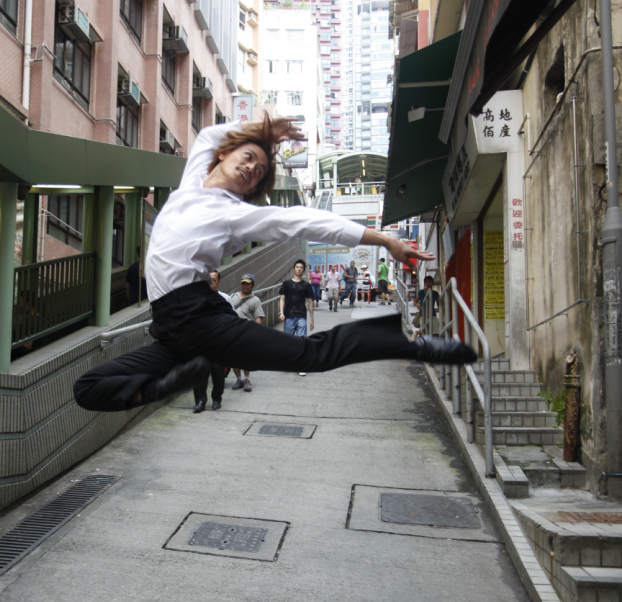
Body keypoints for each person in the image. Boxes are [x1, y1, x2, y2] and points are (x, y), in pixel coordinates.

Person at [72, 115, 476, 416]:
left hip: (199, 317)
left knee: (311, 355)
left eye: (259, 172)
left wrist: (383, 239)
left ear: (253, 188)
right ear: (225, 154)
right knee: (87, 388)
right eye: (248, 158)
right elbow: (208, 135)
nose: (252, 169)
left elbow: (304, 221)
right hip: (170, 332)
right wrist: (262, 130)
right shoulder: (192, 182)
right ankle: (165, 386)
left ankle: (412, 345)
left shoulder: (237, 215)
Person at [193, 270, 233, 412]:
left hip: (219, 341)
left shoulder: (225, 298)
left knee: (218, 371)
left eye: (214, 280)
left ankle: (217, 398)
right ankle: (200, 400)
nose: (211, 283)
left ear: (219, 281)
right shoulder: (197, 298)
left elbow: (232, 319)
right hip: (200, 341)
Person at [229, 273, 265, 394]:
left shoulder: (255, 300)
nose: (245, 286)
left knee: (246, 357)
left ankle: (246, 379)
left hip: (247, 332)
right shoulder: (232, 297)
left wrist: (258, 334)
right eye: (243, 283)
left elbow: (258, 318)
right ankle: (238, 379)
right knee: (234, 356)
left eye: (248, 284)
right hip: (233, 332)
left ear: (252, 285)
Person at [279, 259, 314, 377]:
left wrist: (312, 319)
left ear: (303, 270)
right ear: (293, 269)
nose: (299, 269)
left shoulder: (306, 285)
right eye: (297, 267)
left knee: (302, 341)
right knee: (288, 342)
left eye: (301, 267)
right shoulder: (286, 284)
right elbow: (282, 298)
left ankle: (301, 366)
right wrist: (281, 312)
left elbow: (310, 302)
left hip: (301, 316)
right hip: (288, 316)